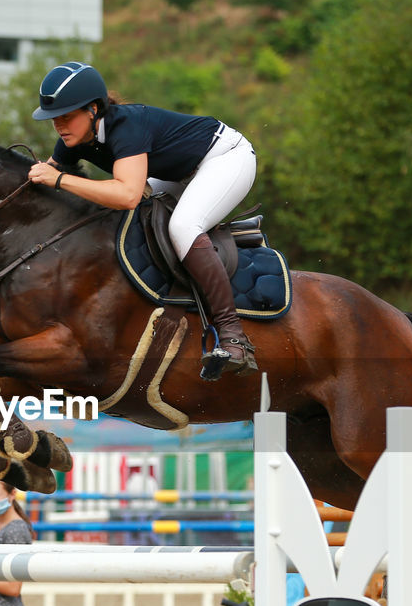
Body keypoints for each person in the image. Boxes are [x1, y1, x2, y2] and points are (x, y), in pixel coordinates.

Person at [26, 61, 258, 381]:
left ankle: (234, 338)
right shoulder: (74, 139)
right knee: (131, 225)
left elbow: (127, 195)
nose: (59, 126)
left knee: (182, 226)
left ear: (94, 110)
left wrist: (59, 179)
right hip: (181, 172)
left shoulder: (125, 127)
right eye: (54, 119)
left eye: (67, 116)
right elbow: (45, 178)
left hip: (226, 158)